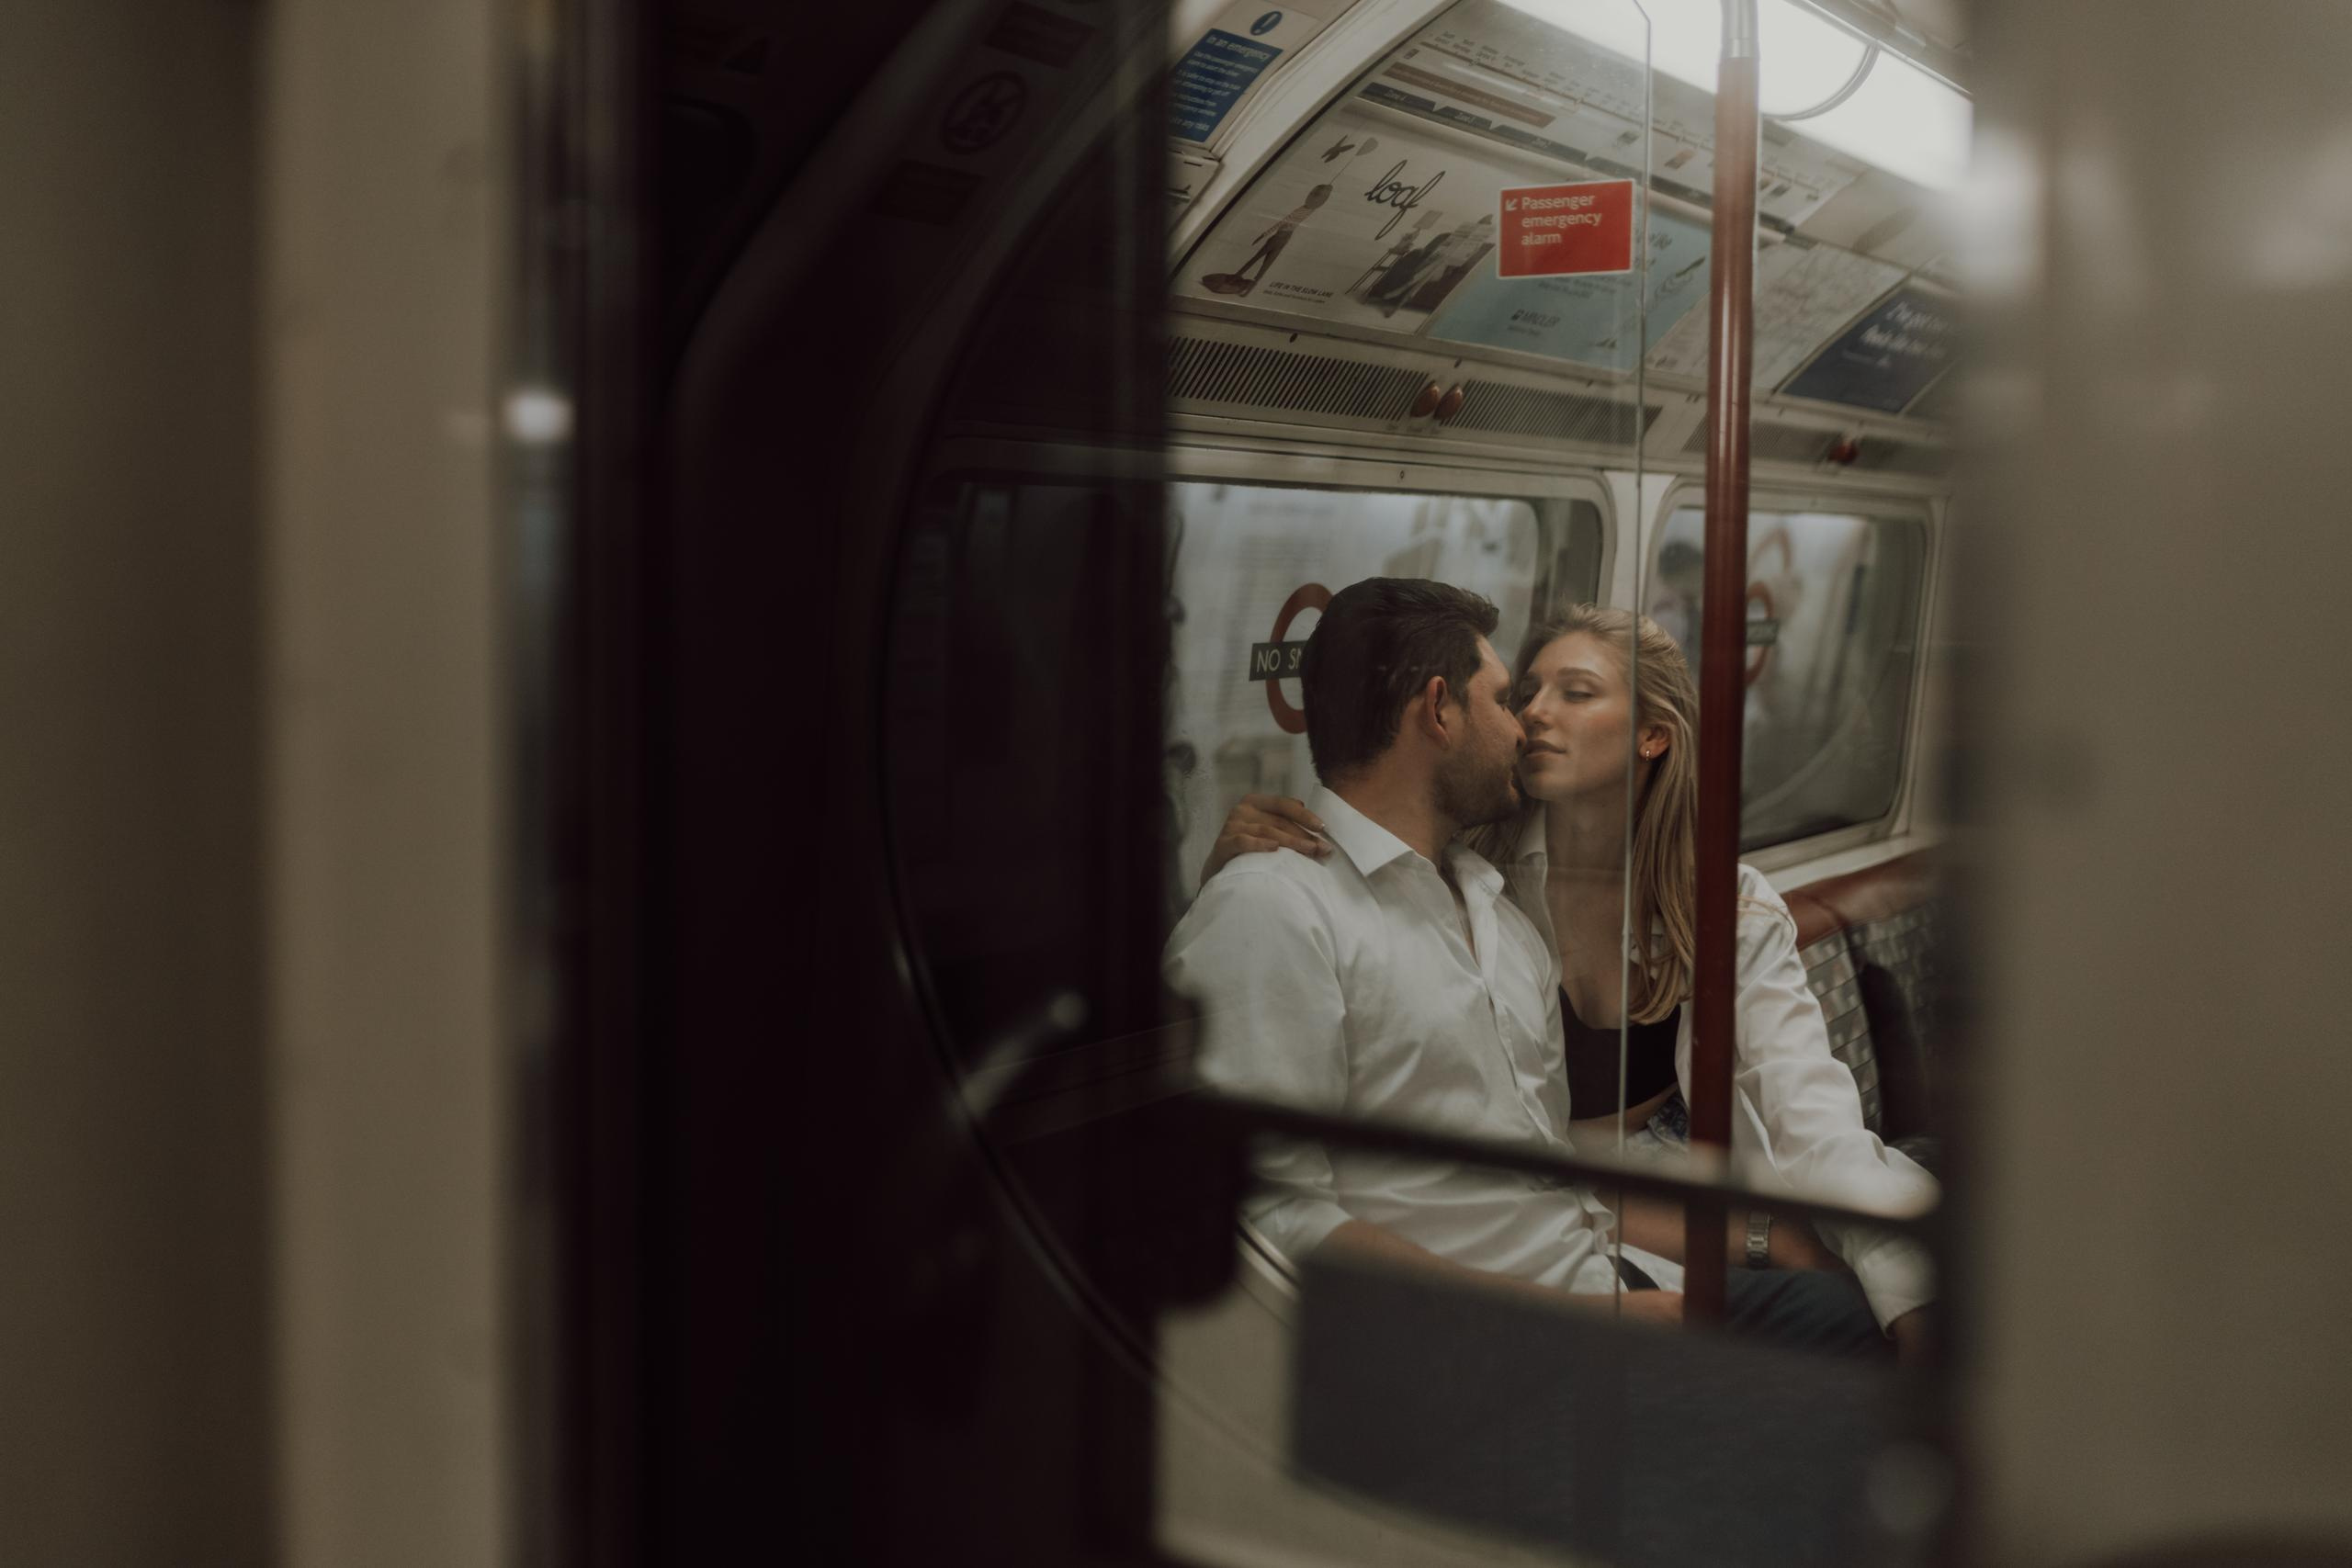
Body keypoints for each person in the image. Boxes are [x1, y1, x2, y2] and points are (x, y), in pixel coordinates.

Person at [1170, 582, 1890, 1351]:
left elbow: (1558, 1180)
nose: (1525, 724)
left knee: (1847, 1323)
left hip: (1598, 1277)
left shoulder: (1498, 918)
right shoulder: (1277, 908)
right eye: (1511, 698)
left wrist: (1748, 1246)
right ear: (1439, 710)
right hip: (1504, 1344)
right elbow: (1265, 1218)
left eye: (1571, 693)